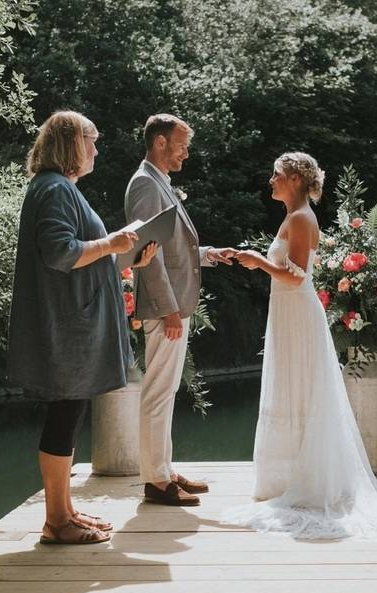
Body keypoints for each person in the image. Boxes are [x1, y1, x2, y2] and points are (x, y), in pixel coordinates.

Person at [227, 152, 377, 539]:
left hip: (297, 310)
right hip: (287, 313)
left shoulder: (303, 218)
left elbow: (297, 277)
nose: (270, 180)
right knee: (290, 387)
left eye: (276, 175)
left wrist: (258, 261)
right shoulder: (294, 217)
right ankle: (285, 476)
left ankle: (307, 478)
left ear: (294, 178)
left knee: (302, 387)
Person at [8, 110, 156, 544]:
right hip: (66, 326)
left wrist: (122, 257)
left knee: (68, 415)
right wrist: (112, 243)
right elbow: (60, 253)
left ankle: (66, 510)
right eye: (91, 139)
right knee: (64, 415)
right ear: (70, 142)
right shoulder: (54, 189)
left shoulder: (60, 188)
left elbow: (80, 252)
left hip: (71, 322)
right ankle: (56, 521)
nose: (96, 148)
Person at [123, 114, 238, 506]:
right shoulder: (144, 183)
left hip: (172, 303)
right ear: (159, 141)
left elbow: (176, 249)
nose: (186, 152)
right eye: (181, 144)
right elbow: (148, 253)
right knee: (158, 391)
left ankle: (164, 469)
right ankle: (155, 482)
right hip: (164, 306)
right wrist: (170, 309)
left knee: (167, 389)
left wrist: (208, 254)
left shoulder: (159, 182)